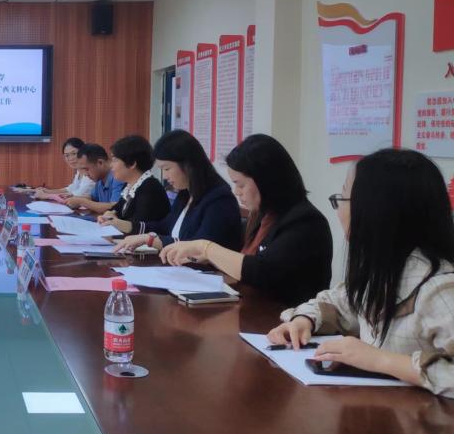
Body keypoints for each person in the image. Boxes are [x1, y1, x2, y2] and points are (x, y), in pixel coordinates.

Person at [268, 149, 454, 398]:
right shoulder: (383, 271)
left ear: (376, 210)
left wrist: (380, 360)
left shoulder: (439, 290)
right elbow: (338, 303)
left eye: (343, 198)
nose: (338, 210)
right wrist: (304, 320)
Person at [160, 134, 332, 305]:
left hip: (284, 316)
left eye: (240, 184)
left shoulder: (306, 222)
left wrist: (205, 248)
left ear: (266, 180)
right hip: (253, 308)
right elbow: (245, 261)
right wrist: (210, 259)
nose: (236, 191)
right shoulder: (263, 215)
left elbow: (261, 271)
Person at [115, 130, 242, 252]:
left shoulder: (219, 200)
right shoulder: (185, 193)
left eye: (167, 169)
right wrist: (124, 225)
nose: (164, 177)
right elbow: (165, 227)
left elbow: (200, 248)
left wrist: (150, 240)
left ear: (188, 165)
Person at [96, 135, 171, 231]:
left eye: (114, 160)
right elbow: (118, 208)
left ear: (132, 163)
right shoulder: (130, 185)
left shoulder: (150, 188)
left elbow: (137, 227)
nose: (111, 166)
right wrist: (109, 214)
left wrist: (114, 221)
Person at [64, 143, 125, 213]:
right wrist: (75, 199)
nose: (85, 174)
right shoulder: (99, 178)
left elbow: (115, 207)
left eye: (86, 169)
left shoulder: (118, 177)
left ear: (100, 163)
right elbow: (92, 197)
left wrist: (82, 202)